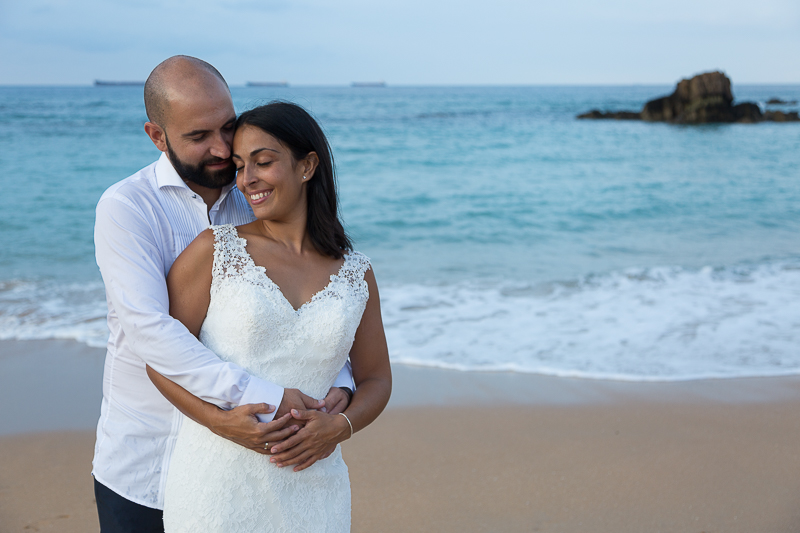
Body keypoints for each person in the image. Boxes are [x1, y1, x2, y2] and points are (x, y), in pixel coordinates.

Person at [92, 56, 355, 533]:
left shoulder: (259, 196)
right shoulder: (127, 208)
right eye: (198, 137)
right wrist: (259, 400)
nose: (220, 148)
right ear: (157, 136)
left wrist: (339, 382)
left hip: (250, 473)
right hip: (145, 463)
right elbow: (151, 332)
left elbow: (305, 302)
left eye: (227, 127)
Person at [146, 101, 392, 532]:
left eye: (263, 162)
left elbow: (376, 379)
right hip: (217, 487)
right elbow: (160, 359)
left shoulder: (356, 272)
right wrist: (218, 423)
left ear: (307, 166)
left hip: (313, 485)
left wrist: (340, 427)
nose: (247, 180)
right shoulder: (214, 250)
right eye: (240, 166)